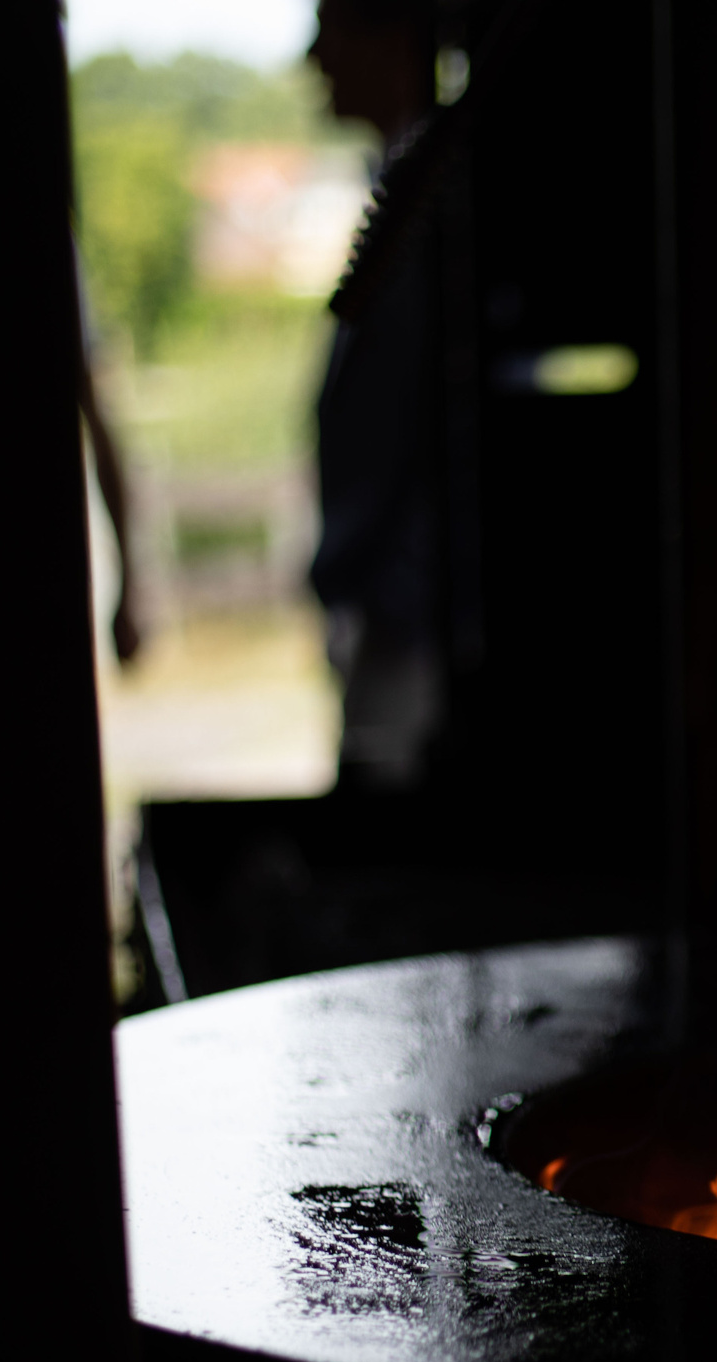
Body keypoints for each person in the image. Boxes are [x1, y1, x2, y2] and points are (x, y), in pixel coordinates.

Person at [307, 0, 445, 791]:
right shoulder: (406, 188)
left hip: (406, 612)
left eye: (331, 28)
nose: (314, 59)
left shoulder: (432, 207)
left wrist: (373, 585)